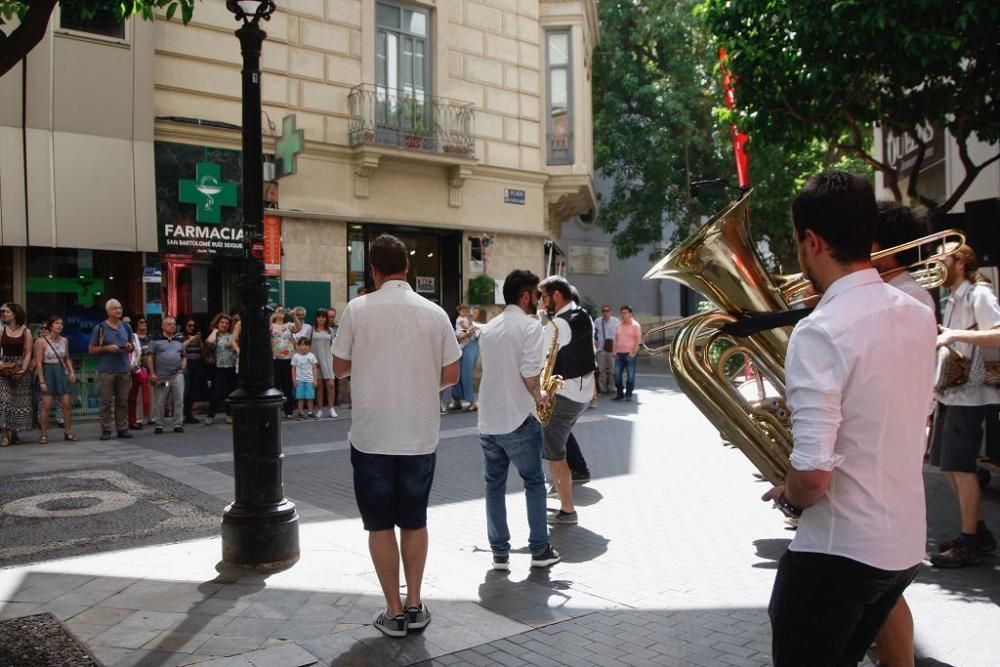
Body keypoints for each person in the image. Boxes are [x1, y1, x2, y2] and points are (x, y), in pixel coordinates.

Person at [760, 172, 935, 667]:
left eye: (798, 243)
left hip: (839, 550)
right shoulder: (917, 311)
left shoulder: (821, 330)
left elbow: (813, 478)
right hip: (901, 543)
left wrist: (792, 495)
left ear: (812, 241)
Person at [333, 234, 461, 638]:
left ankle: (392, 610)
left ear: (372, 270)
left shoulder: (358, 309)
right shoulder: (435, 312)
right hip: (419, 434)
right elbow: (452, 374)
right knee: (414, 521)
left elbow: (337, 368)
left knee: (379, 525)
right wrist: (419, 385)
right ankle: (415, 602)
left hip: (371, 435)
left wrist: (372, 372)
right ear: (408, 267)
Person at [871, 201, 935, 667]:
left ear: (881, 248)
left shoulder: (906, 298)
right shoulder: (901, 294)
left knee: (881, 586)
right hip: (888, 454)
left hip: (886, 457)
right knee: (879, 588)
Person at [478, 269, 561, 571]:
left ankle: (500, 553)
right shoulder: (529, 326)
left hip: (488, 419)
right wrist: (542, 396)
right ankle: (540, 550)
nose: (539, 300)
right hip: (518, 418)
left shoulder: (489, 327)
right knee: (534, 482)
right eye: (537, 295)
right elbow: (529, 373)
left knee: (494, 486)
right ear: (525, 296)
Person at [928, 241, 1000, 568]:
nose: (934, 260)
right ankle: (979, 533)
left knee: (961, 467)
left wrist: (954, 335)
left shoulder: (979, 294)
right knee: (949, 467)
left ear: (959, 261)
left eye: (941, 254)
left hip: (972, 394)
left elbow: (998, 334)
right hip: (953, 392)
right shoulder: (954, 296)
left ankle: (970, 541)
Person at [538, 275, 596, 526]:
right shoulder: (584, 315)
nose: (542, 302)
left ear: (557, 296)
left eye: (545, 296)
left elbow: (538, 359)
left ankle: (568, 509)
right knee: (559, 447)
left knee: (555, 455)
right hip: (583, 394)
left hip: (564, 395)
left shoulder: (557, 326)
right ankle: (562, 492)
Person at [88, 299, 134, 441]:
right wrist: (106, 348)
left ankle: (122, 428)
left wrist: (129, 347)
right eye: (114, 308)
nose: (118, 311)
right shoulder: (100, 328)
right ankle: (106, 429)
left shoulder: (126, 327)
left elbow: (132, 345)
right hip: (107, 370)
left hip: (123, 369)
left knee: (122, 401)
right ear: (108, 311)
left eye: (120, 308)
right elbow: (91, 349)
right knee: (106, 401)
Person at [33, 315, 77, 444]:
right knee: (46, 405)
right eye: (57, 323)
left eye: (61, 324)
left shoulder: (64, 341)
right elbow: (39, 362)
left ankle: (68, 432)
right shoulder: (41, 341)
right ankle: (44, 433)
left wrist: (71, 371)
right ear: (50, 326)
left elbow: (67, 357)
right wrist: (41, 381)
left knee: (66, 404)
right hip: (48, 371)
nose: (60, 326)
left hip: (61, 371)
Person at [0, 303, 34, 446]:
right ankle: (4, 433)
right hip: (3, 368)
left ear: (15, 314)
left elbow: (28, 353)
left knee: (18, 403)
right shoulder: (1, 330)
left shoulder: (26, 332)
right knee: (5, 400)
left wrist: (24, 369)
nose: (3, 314)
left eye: (6, 311)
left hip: (19, 367)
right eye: (2, 312)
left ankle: (15, 433)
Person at [148, 316, 187, 434]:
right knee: (160, 400)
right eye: (169, 324)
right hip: (162, 376)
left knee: (179, 399)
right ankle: (159, 424)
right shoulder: (155, 340)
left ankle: (178, 424)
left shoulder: (179, 339)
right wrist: (152, 373)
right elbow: (150, 357)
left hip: (176, 375)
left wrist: (182, 369)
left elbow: (184, 356)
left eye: (174, 324)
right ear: (163, 326)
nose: (173, 326)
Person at [205, 313, 239, 425]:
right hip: (219, 367)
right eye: (222, 322)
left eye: (227, 323)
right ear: (218, 323)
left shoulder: (232, 335)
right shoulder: (216, 336)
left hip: (232, 367)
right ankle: (210, 415)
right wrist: (215, 331)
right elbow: (209, 342)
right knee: (217, 392)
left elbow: (236, 344)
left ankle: (229, 414)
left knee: (231, 393)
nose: (224, 325)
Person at [270, 308, 302, 418]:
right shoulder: (272, 325)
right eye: (278, 311)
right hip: (275, 359)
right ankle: (274, 410)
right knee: (275, 385)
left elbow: (298, 328)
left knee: (288, 385)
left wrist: (293, 316)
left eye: (282, 311)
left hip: (288, 359)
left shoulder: (289, 325)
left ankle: (289, 411)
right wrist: (273, 316)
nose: (280, 313)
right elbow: (265, 329)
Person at [451, 304, 481, 411]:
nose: (473, 315)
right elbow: (459, 336)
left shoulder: (477, 326)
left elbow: (473, 336)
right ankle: (457, 400)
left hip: (470, 350)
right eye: (472, 313)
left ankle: (472, 402)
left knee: (466, 375)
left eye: (476, 313)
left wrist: (467, 333)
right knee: (456, 374)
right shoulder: (465, 322)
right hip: (461, 349)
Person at [310, 309, 337, 418]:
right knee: (319, 386)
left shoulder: (330, 330)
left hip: (328, 361)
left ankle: (331, 408)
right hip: (316, 362)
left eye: (323, 317)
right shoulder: (312, 330)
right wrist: (313, 361)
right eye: (319, 317)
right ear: (316, 318)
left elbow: (333, 346)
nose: (321, 319)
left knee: (330, 385)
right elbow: (307, 345)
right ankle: (320, 409)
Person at [128, 315, 153, 430]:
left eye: (145, 322)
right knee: (138, 396)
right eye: (141, 322)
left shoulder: (149, 338)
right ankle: (139, 418)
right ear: (136, 324)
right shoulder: (134, 338)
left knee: (150, 394)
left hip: (149, 369)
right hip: (137, 369)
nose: (144, 324)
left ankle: (150, 417)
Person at [612, 305, 641, 402]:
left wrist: (633, 353)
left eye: (625, 313)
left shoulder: (635, 326)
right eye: (622, 313)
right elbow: (615, 339)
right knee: (616, 375)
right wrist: (614, 351)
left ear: (630, 314)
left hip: (629, 354)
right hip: (619, 354)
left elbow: (638, 341)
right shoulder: (619, 325)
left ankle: (629, 394)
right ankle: (620, 393)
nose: (623, 315)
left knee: (630, 375)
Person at [594, 305, 619, 395]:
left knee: (613, 371)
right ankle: (603, 388)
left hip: (612, 349)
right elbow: (594, 333)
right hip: (601, 349)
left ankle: (612, 388)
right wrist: (595, 341)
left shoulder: (615, 321)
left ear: (610, 312)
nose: (605, 313)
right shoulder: (597, 321)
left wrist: (617, 348)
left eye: (607, 311)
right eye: (603, 311)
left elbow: (618, 335)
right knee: (602, 371)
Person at [291, 337, 319, 420]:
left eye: (306, 345)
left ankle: (310, 412)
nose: (304, 347)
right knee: (300, 397)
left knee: (310, 397)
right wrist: (294, 380)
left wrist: (315, 380)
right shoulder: (295, 356)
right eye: (302, 345)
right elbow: (293, 369)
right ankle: (301, 412)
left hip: (309, 380)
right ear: (298, 346)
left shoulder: (311, 356)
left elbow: (315, 368)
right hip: (299, 380)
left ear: (309, 346)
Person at [181, 319, 203, 424]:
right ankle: (183, 413)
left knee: (193, 389)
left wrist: (199, 340)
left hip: (197, 363)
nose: (191, 328)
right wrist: (190, 340)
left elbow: (203, 350)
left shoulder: (197, 337)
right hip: (187, 364)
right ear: (185, 326)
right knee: (186, 389)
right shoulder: (181, 336)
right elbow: (180, 347)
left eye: (193, 326)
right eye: (189, 326)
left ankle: (189, 414)